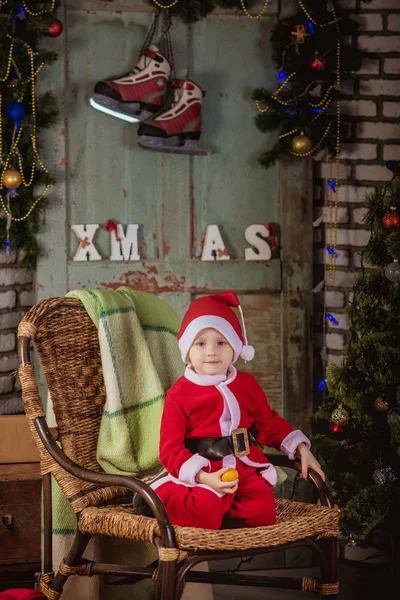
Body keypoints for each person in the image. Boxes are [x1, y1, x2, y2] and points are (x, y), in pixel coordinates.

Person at [151, 291, 325, 529]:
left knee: (262, 513)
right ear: (187, 351)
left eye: (221, 342)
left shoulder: (246, 384)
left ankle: (227, 509)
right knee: (205, 510)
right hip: (204, 471)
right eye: (201, 343)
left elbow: (268, 423)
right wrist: (202, 476)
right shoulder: (179, 394)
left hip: (244, 467)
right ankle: (165, 501)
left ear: (235, 347)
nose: (211, 351)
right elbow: (169, 449)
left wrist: (300, 446)